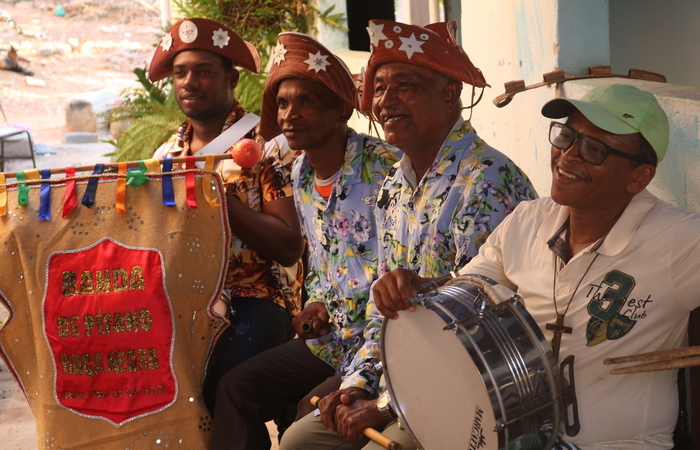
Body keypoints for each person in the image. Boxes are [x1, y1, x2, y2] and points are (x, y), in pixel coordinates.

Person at [371, 83, 700, 449]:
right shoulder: (528, 221)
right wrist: (421, 287)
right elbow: (470, 292)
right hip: (516, 435)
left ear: (639, 177)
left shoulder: (678, 240)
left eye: (594, 149)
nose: (567, 156)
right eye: (566, 136)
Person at [279, 19, 537, 450]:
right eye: (379, 89)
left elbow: (483, 329)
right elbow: (386, 312)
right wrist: (357, 385)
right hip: (403, 381)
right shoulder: (395, 187)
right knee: (296, 442)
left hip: (475, 392)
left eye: (406, 86)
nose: (386, 101)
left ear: (450, 93)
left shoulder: (486, 180)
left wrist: (382, 405)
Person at [208, 31, 401, 450]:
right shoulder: (300, 175)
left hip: (378, 348)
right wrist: (313, 302)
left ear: (341, 110)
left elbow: (408, 270)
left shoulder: (389, 170)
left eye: (306, 101)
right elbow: (319, 259)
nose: (289, 115)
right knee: (234, 388)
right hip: (330, 341)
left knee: (304, 419)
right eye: (282, 103)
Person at [148, 18, 305, 414]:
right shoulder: (166, 156)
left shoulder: (268, 146)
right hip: (182, 300)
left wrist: (218, 200)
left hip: (257, 299)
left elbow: (289, 247)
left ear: (231, 79)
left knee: (216, 386)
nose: (189, 82)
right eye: (181, 73)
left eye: (204, 71)